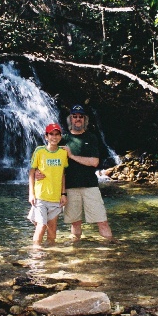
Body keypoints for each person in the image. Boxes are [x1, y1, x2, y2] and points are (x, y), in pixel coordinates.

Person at [37, 104, 116, 243]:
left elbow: (94, 162)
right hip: (70, 187)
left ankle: (112, 250)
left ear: (85, 119)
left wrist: (71, 156)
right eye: (74, 116)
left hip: (90, 186)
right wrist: (37, 172)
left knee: (102, 221)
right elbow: (47, 158)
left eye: (80, 117)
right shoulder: (63, 139)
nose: (77, 119)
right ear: (70, 119)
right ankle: (75, 257)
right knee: (75, 223)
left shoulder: (91, 137)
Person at [27, 123, 69, 248]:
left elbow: (62, 174)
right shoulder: (39, 151)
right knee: (41, 226)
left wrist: (63, 194)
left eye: (57, 134)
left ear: (60, 137)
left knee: (52, 230)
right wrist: (31, 193)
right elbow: (32, 171)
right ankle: (36, 252)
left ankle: (51, 255)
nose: (54, 137)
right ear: (46, 136)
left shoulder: (62, 153)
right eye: (51, 134)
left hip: (55, 197)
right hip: (41, 196)